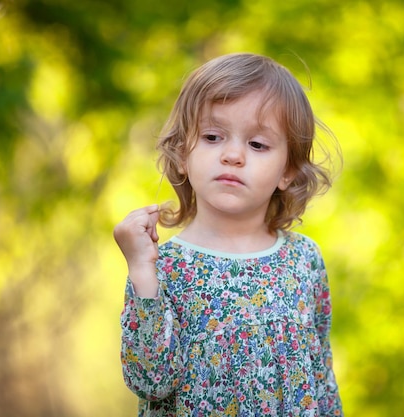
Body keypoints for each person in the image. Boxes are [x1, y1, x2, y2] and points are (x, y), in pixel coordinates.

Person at [113, 52, 343, 417]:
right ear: (182, 154)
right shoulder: (162, 266)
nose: (233, 154)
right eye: (212, 136)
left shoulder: (303, 259)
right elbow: (150, 380)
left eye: (257, 144)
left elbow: (322, 378)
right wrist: (141, 269)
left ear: (287, 171)